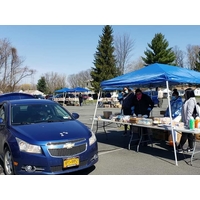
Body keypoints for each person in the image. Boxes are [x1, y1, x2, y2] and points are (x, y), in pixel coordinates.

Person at [176, 88, 200, 153]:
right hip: (187, 120)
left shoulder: (191, 101)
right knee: (189, 134)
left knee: (185, 134)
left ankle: (179, 147)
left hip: (190, 120)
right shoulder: (187, 100)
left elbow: (190, 112)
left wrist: (187, 122)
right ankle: (191, 147)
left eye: (185, 93)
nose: (184, 94)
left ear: (188, 93)